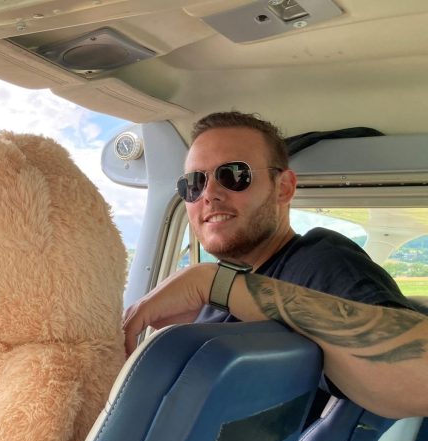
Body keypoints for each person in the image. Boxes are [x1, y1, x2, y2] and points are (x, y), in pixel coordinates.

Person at [122, 111, 427, 419]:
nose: (209, 194)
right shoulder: (228, 290)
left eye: (234, 175)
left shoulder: (320, 263)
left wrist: (214, 282)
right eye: (193, 183)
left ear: (283, 188)